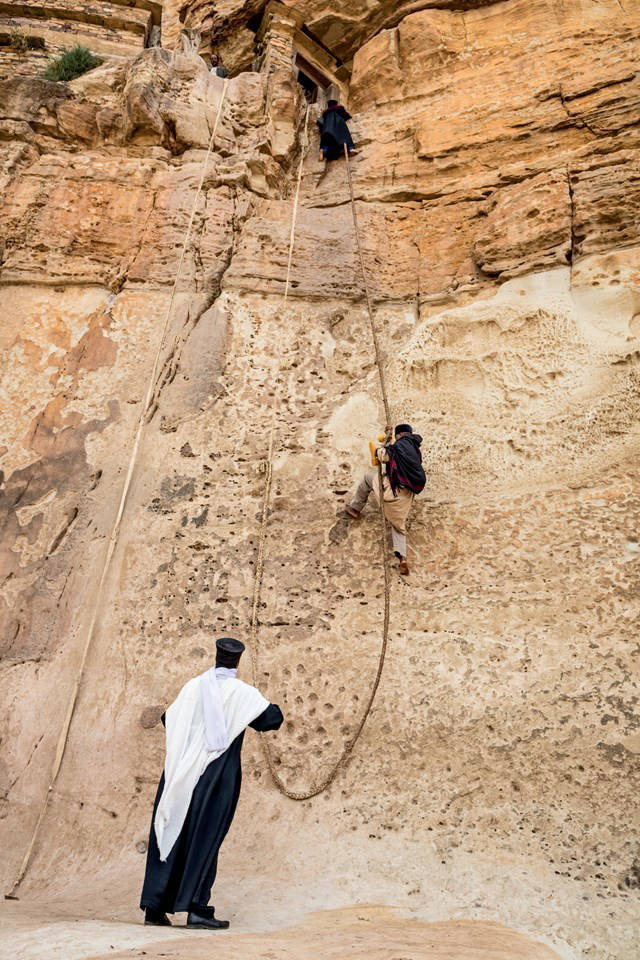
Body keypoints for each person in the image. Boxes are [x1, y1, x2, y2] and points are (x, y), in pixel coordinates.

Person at [140, 637, 283, 929]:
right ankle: (196, 909)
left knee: (169, 831)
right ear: (237, 662)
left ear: (216, 657)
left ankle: (155, 908)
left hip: (180, 771)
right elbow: (272, 719)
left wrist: (193, 736)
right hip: (217, 774)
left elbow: (169, 718)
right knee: (206, 838)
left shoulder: (192, 687)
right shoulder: (242, 693)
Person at [345, 424, 426, 576]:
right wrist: (388, 438)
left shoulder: (400, 446)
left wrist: (379, 448)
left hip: (394, 489)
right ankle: (402, 558)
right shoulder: (414, 448)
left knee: (368, 480)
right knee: (398, 523)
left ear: (399, 435)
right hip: (407, 493)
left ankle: (355, 508)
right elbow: (396, 455)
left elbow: (383, 457)